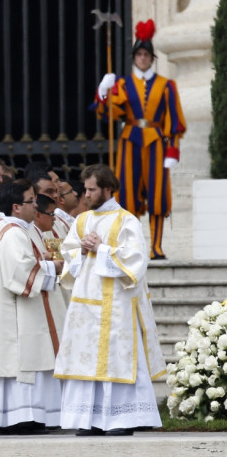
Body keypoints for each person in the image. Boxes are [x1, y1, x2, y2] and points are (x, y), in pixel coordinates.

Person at [54, 164, 165, 436]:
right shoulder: (81, 221)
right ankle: (88, 420)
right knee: (85, 360)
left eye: (92, 189)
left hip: (117, 306)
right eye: (86, 190)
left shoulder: (127, 220)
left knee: (117, 360)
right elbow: (67, 256)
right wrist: (81, 248)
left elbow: (137, 261)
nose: (87, 195)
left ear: (108, 189)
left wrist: (101, 249)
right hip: (84, 305)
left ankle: (121, 420)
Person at [93, 19, 186, 259]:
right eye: (139, 54)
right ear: (134, 57)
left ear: (152, 58)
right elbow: (108, 114)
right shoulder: (122, 84)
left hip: (155, 141)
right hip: (130, 140)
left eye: (146, 54)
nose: (142, 58)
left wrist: (173, 150)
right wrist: (104, 92)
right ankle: (132, 244)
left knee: (157, 194)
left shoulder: (167, 86)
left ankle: (156, 246)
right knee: (127, 194)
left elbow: (174, 120)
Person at [0, 180, 62, 434]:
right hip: (16, 309)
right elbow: (20, 272)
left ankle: (15, 416)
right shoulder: (13, 232)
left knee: (16, 362)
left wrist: (40, 260)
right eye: (30, 200)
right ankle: (23, 417)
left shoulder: (4, 227)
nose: (35, 205)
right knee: (22, 361)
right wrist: (51, 267)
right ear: (16, 207)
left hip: (4, 306)